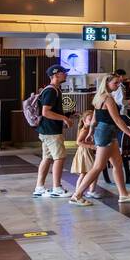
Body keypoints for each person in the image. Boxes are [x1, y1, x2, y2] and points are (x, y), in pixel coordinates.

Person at [70, 75, 130, 205]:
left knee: (117, 164)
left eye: (119, 83)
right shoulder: (108, 99)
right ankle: (77, 195)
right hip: (106, 133)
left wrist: (90, 132)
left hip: (106, 132)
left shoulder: (99, 97)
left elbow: (95, 119)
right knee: (98, 166)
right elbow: (117, 120)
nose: (118, 85)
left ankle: (123, 194)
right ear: (107, 83)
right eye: (115, 83)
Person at [33, 64, 76, 198]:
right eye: (64, 73)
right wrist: (64, 118)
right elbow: (46, 112)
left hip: (47, 130)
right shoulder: (51, 91)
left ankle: (39, 188)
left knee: (47, 158)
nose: (66, 75)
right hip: (51, 131)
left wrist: (68, 115)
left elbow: (51, 111)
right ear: (56, 75)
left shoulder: (54, 90)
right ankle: (57, 188)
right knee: (60, 158)